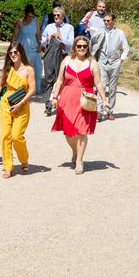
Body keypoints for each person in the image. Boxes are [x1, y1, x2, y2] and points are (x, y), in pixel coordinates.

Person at [50, 36, 110, 174]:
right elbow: (59, 81)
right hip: (67, 100)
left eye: (84, 46)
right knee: (69, 133)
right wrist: (54, 96)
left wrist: (104, 99)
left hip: (85, 101)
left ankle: (79, 161)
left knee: (82, 131)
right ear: (74, 47)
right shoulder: (67, 60)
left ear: (87, 47)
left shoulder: (92, 63)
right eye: (79, 46)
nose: (82, 48)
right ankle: (75, 151)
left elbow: (99, 83)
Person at [0, 42, 36, 179]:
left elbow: (33, 90)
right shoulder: (7, 69)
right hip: (6, 103)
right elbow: (0, 85)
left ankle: (24, 159)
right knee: (5, 135)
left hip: (22, 104)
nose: (13, 55)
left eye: (15, 52)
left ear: (21, 53)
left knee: (17, 136)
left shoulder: (29, 69)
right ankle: (8, 166)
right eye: (10, 53)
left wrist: (21, 103)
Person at [86, 13, 130, 121]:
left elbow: (126, 48)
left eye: (108, 20)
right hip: (102, 62)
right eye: (105, 20)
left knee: (112, 88)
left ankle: (110, 111)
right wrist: (92, 58)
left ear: (113, 21)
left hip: (115, 63)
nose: (106, 22)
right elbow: (92, 44)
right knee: (101, 85)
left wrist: (121, 60)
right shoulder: (100, 32)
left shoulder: (119, 33)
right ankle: (100, 111)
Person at [41, 6, 74, 116]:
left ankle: (60, 102)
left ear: (63, 16)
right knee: (49, 79)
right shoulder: (49, 27)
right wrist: (47, 39)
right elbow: (41, 42)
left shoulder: (69, 27)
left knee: (62, 80)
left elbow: (71, 43)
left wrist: (61, 39)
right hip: (50, 55)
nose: (56, 17)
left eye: (58, 15)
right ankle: (48, 105)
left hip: (63, 56)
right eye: (54, 15)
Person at [12, 4, 42, 93]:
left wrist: (40, 45)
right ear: (26, 14)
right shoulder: (19, 23)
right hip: (22, 49)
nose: (30, 18)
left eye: (31, 16)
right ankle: (22, 88)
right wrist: (12, 47)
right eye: (29, 16)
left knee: (36, 68)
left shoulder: (35, 22)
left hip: (34, 49)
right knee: (23, 69)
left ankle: (35, 88)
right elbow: (15, 36)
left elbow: (38, 35)